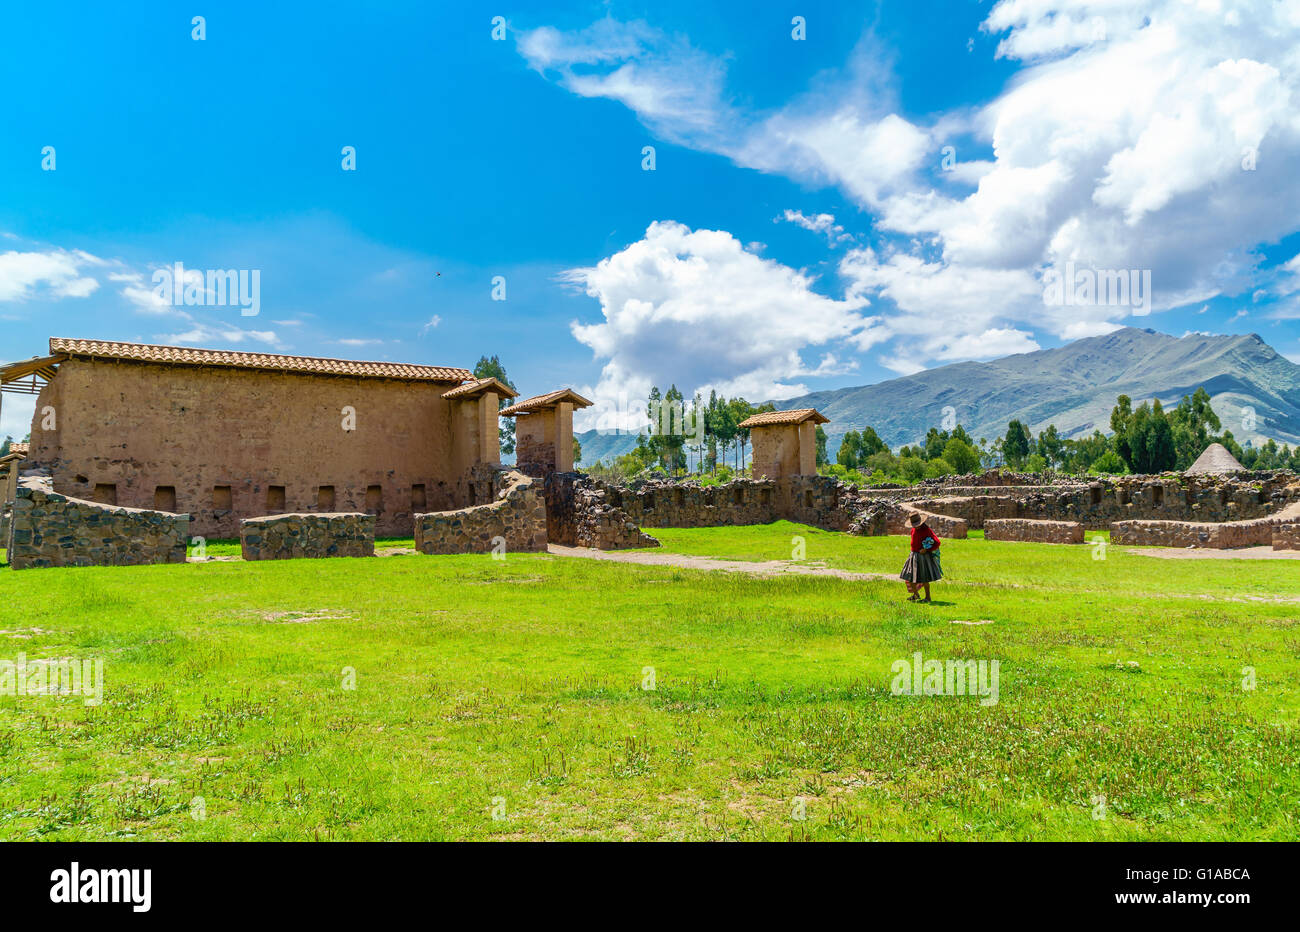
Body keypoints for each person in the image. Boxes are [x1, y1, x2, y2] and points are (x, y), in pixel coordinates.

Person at [901, 512, 942, 602]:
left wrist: (926, 550)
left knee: (924, 578)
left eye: (917, 524)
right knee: (909, 576)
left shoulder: (926, 530)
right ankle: (916, 595)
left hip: (923, 557)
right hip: (913, 556)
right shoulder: (913, 530)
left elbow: (937, 542)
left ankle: (928, 597)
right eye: (914, 525)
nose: (916, 526)